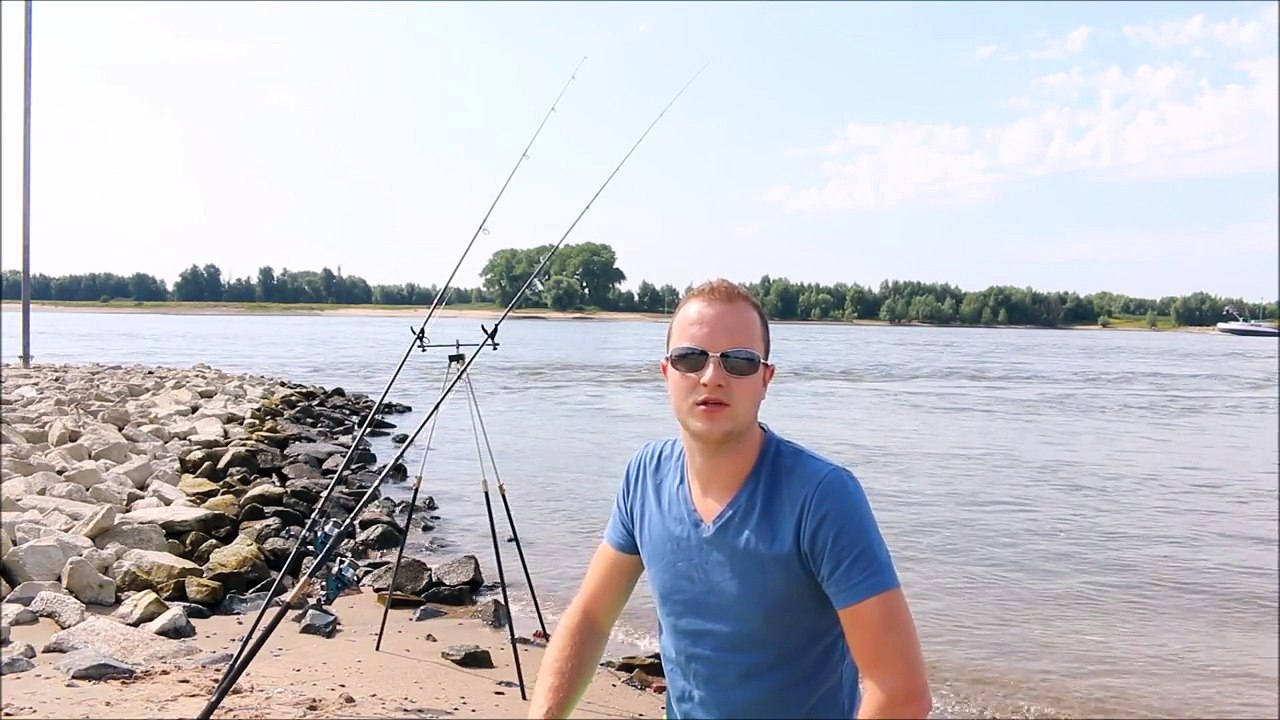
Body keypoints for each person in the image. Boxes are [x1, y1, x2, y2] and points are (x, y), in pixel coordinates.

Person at [527, 279, 931, 719]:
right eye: (690, 358)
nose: (712, 377)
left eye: (739, 361)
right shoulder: (645, 476)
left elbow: (900, 693)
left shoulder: (823, 496)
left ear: (765, 379)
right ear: (666, 373)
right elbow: (590, 618)